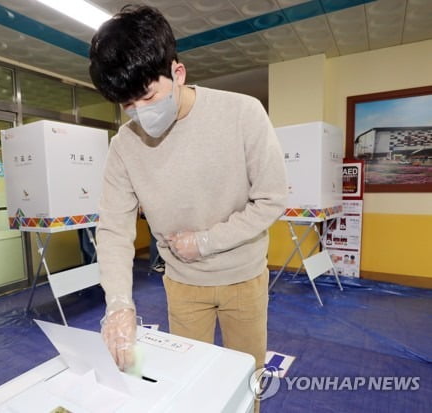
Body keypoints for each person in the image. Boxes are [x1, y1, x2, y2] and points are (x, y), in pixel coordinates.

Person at [89, 4, 287, 398]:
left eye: (148, 96)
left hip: (243, 278)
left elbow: (272, 199)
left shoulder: (242, 113)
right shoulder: (123, 148)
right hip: (181, 284)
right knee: (191, 385)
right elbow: (113, 230)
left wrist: (205, 241)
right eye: (128, 106)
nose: (140, 114)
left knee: (246, 384)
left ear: (177, 72)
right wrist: (119, 305)